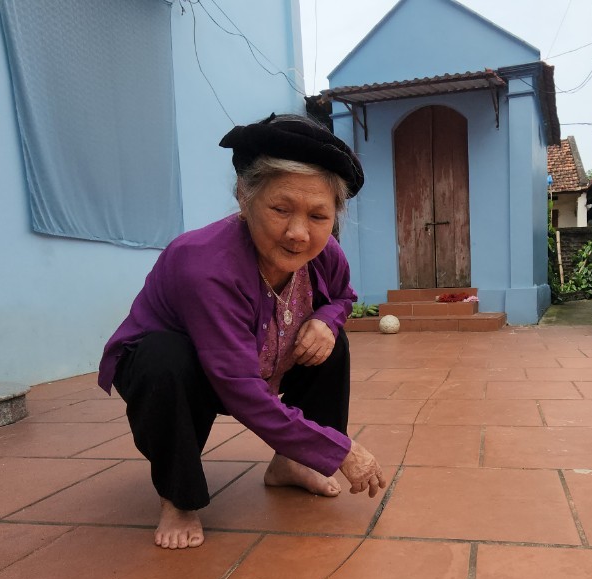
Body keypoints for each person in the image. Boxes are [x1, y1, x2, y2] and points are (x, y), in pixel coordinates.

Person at [97, 113, 386, 550]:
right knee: (164, 358)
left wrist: (327, 321)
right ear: (244, 196)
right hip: (188, 371)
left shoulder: (326, 254)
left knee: (334, 344)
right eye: (280, 209)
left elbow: (344, 297)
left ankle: (290, 463)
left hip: (264, 359)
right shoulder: (205, 265)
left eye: (318, 215)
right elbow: (238, 388)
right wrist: (340, 450)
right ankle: (178, 497)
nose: (297, 233)